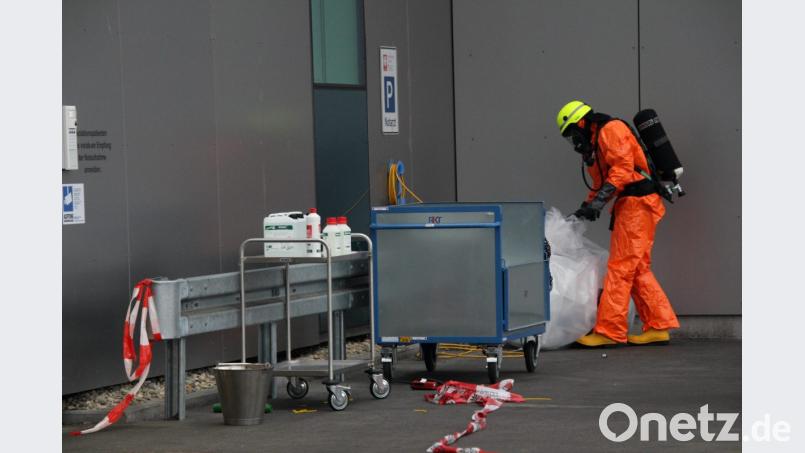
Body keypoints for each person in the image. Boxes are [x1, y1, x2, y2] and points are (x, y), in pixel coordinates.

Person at [556, 100, 680, 346]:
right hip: (634, 204)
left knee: (621, 268)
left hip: (638, 204)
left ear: (581, 123)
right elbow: (603, 181)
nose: (573, 141)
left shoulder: (610, 130)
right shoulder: (596, 144)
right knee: (637, 269)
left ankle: (609, 331)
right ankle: (659, 325)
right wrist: (586, 207)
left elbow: (622, 170)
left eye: (572, 134)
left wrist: (599, 202)